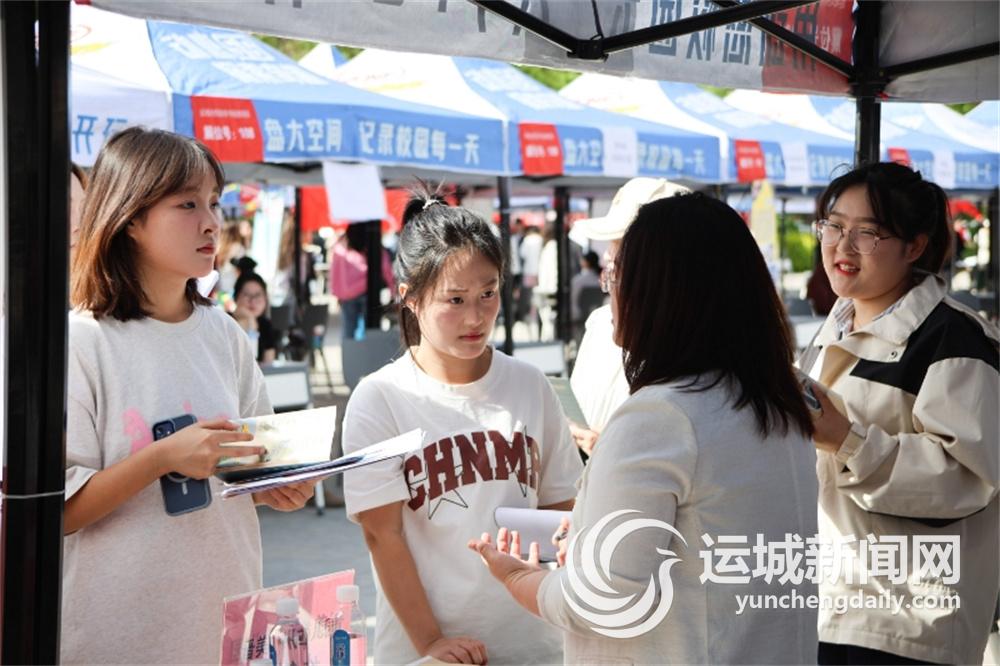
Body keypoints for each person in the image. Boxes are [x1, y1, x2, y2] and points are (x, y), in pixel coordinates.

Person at [469, 192, 819, 664]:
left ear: (661, 292)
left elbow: (602, 599)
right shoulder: (778, 401)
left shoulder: (662, 417)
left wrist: (516, 577)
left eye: (616, 274)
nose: (609, 290)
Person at [63, 127, 313, 664]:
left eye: (214, 203)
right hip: (117, 637)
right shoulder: (82, 342)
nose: (210, 222)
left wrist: (278, 486)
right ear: (130, 218)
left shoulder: (223, 333)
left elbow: (252, 465)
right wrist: (163, 457)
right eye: (187, 204)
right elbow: (57, 512)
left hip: (227, 622)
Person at [341, 187, 583, 665]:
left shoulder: (530, 384)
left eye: (488, 294)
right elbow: (382, 535)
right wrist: (432, 643)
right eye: (454, 299)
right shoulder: (380, 398)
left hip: (534, 643)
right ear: (410, 298)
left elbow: (561, 507)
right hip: (426, 651)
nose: (475, 317)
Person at [803, 162, 999, 665]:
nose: (843, 247)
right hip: (830, 605)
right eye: (834, 226)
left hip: (911, 624)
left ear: (914, 246)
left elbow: (967, 478)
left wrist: (847, 441)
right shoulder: (831, 332)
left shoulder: (954, 340)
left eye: (867, 233)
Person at [568, 178, 687, 455]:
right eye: (611, 269)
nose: (612, 281)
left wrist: (609, 448)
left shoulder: (691, 355)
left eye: (618, 268)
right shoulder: (600, 323)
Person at [329, 222, 394, 340]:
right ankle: (366, 351)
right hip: (367, 292)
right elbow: (386, 269)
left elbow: (335, 274)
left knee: (348, 331)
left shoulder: (340, 248)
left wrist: (337, 294)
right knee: (369, 332)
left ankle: (349, 352)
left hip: (347, 296)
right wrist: (393, 291)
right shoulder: (373, 245)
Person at [231, 272, 278, 364]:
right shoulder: (226, 322)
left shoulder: (266, 325)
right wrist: (250, 320)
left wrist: (251, 320)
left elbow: (269, 364)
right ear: (236, 297)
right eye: (246, 295)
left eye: (257, 295)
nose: (252, 301)